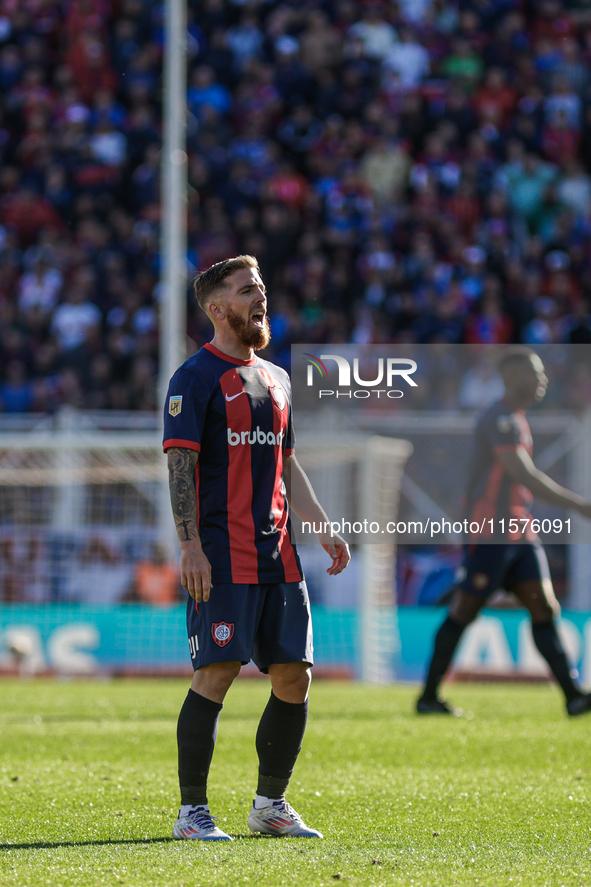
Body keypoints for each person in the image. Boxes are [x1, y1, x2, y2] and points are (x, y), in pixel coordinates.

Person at [163, 255, 350, 841]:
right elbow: (181, 466)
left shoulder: (278, 378)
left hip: (280, 557)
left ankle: (270, 804)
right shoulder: (193, 379)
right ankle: (192, 812)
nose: (260, 298)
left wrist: (321, 524)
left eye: (262, 288)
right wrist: (190, 546)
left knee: (294, 678)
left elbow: (285, 465)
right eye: (247, 291)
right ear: (217, 309)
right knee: (216, 674)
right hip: (222, 557)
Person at [417, 347, 591, 717]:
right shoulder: (498, 419)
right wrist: (578, 504)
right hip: (491, 532)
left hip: (520, 531)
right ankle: (428, 697)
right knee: (464, 610)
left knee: (544, 606)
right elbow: (523, 473)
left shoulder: (516, 418)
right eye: (536, 373)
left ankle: (574, 697)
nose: (543, 380)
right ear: (513, 376)